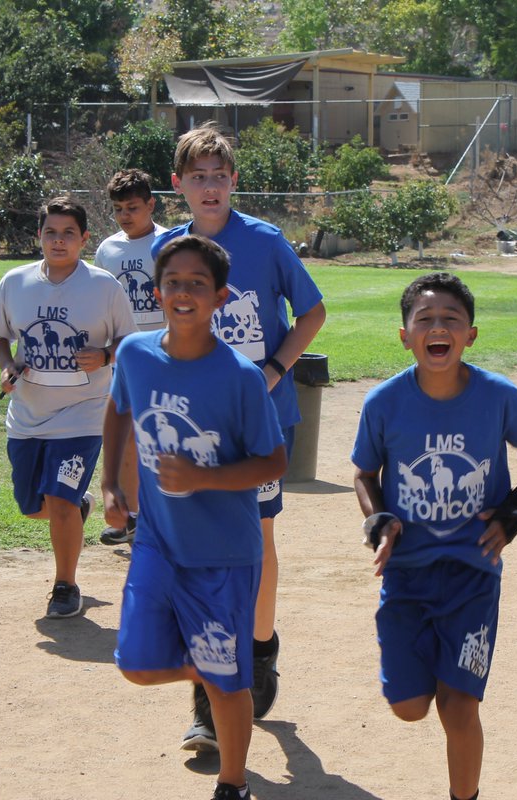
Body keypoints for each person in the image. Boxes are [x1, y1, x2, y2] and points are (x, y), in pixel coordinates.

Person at [351, 272, 517, 800]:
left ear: (471, 334)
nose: (438, 327)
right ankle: (425, 659)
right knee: (409, 707)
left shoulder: (498, 397)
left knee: (458, 705)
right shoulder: (384, 402)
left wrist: (511, 517)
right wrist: (379, 521)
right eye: (424, 319)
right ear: (405, 336)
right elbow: (364, 474)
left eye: (451, 318)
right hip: (407, 574)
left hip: (473, 574)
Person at [151, 122, 326, 742]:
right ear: (178, 184)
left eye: (219, 176)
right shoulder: (169, 248)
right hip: (195, 426)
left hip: (259, 424)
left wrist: (274, 370)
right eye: (197, 177)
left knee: (255, 544)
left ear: (233, 181)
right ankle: (207, 699)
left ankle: (259, 648)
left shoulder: (265, 241)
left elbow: (313, 312)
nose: (209, 187)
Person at [104, 234, 286, 800]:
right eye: (174, 282)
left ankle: (233, 784)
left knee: (226, 683)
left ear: (221, 297)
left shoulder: (240, 377)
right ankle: (218, 666)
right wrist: (110, 482)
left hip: (223, 554)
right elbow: (118, 408)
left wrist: (203, 477)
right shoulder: (135, 354)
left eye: (198, 284)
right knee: (136, 664)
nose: (184, 293)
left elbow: (274, 462)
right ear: (157, 291)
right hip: (158, 541)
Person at [0, 196, 136, 619]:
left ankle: (65, 585)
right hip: (28, 417)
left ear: (84, 238)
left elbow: (130, 340)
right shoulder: (15, 282)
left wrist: (104, 356)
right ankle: (77, 505)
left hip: (84, 415)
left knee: (59, 499)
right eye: (50, 232)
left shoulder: (104, 286)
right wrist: (7, 366)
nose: (58, 240)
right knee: (33, 506)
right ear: (39, 235)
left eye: (68, 233)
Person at [93, 168, 167, 546]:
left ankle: (164, 518)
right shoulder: (108, 249)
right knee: (124, 440)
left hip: (163, 356)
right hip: (123, 359)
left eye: (133, 207)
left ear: (151, 204)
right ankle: (130, 516)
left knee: (161, 438)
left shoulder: (168, 242)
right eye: (118, 208)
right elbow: (100, 303)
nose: (125, 215)